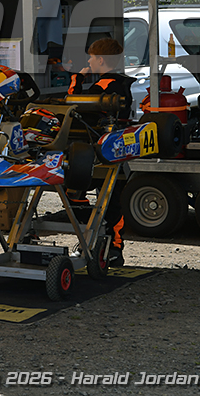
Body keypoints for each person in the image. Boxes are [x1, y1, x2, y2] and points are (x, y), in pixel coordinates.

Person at [65, 36, 134, 266]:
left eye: (92, 57)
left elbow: (73, 105)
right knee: (114, 202)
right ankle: (114, 249)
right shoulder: (123, 83)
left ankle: (92, 234)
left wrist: (77, 79)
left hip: (97, 153)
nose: (89, 61)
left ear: (101, 60)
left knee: (71, 192)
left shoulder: (102, 86)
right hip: (119, 151)